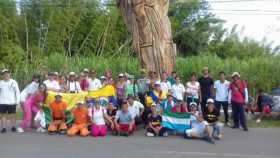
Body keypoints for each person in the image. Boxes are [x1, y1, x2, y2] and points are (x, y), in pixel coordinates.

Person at [0, 69, 21, 133]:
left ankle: (13, 127)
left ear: (9, 74)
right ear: (2, 75)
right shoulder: (0, 82)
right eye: (4, 74)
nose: (6, 75)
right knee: (3, 115)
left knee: (13, 115)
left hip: (12, 102)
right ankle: (3, 128)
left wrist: (18, 103)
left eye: (7, 73)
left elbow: (17, 92)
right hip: (2, 102)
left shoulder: (14, 82)